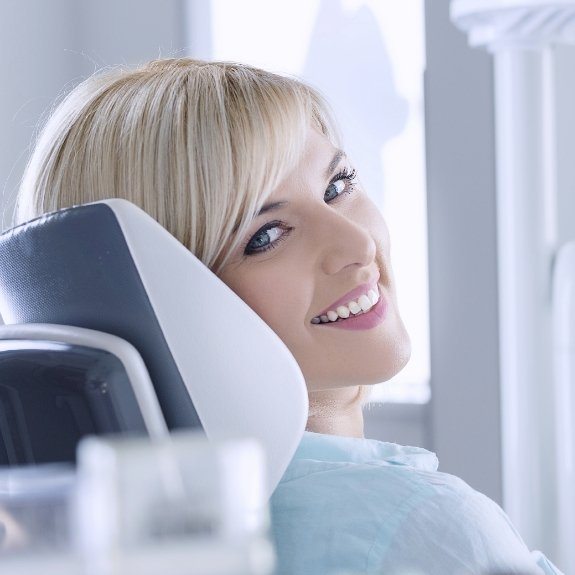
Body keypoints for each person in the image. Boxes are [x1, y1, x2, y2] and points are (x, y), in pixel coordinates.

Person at [15, 58, 562, 575]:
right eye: (266, 236)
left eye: (338, 186)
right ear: (163, 301)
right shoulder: (420, 524)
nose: (356, 244)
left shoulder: (121, 538)